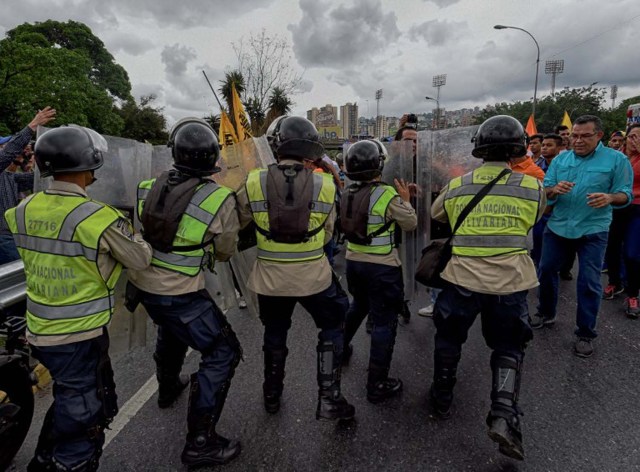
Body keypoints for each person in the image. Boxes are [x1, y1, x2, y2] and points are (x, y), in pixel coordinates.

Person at [4, 125, 152, 472]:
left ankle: (42, 462)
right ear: (90, 165)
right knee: (85, 418)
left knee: (69, 400)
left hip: (40, 328)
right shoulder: (97, 217)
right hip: (79, 333)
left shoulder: (22, 211)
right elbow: (140, 258)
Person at [126, 118, 243, 468]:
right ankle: (200, 442)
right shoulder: (219, 196)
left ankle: (166, 389)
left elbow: (138, 229)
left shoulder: (147, 185)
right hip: (181, 292)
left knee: (171, 332)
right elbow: (226, 249)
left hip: (145, 285)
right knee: (223, 353)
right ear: (211, 159)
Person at [429, 115, 545, 461]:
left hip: (462, 280)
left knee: (449, 338)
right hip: (510, 284)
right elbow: (534, 219)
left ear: (478, 149)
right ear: (519, 149)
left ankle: (442, 396)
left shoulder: (458, 184)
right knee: (509, 346)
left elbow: (438, 216)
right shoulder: (532, 187)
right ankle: (503, 413)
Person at [236, 116, 355, 421]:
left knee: (275, 333)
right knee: (333, 323)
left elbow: (239, 222)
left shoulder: (253, 181)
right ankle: (330, 396)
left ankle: (271, 395)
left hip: (270, 279)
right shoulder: (326, 183)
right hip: (313, 276)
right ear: (312, 146)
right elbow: (329, 234)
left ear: (275, 144)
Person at [532, 115, 633, 358]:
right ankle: (546, 312)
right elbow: (546, 191)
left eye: (584, 136)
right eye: (575, 135)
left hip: (593, 229)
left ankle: (585, 333)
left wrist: (610, 198)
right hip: (558, 226)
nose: (577, 141)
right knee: (545, 270)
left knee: (588, 281)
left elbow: (625, 194)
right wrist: (554, 190)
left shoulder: (617, 160)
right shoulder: (561, 159)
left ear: (599, 135)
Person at [339, 139, 417, 402]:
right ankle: (377, 383)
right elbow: (410, 223)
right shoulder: (386, 195)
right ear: (379, 165)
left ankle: (340, 349)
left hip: (353, 263)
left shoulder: (347, 193)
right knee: (384, 322)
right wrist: (406, 201)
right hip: (382, 267)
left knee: (357, 306)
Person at [0, 107, 56, 265]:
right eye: (3, 145)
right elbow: (7, 154)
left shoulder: (9, 177)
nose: (9, 149)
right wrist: (32, 126)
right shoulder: (4, 161)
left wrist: (60, 163)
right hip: (3, 239)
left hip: (12, 235)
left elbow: (37, 179)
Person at [621, 124, 640, 317]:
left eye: (638, 137)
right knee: (612, 247)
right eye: (631, 136)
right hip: (618, 207)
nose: (633, 140)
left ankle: (633, 294)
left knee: (632, 254)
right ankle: (614, 283)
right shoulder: (620, 157)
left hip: (637, 208)